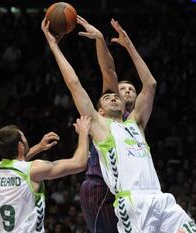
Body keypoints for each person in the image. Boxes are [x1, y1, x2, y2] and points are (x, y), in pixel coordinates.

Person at [42, 17, 196, 233]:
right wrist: (53, 46)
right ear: (100, 110)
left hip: (161, 199)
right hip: (131, 202)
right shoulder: (101, 125)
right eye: (108, 98)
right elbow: (74, 83)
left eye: (118, 95)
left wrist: (127, 45)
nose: (115, 97)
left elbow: (151, 84)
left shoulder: (135, 123)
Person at [0, 116, 90, 233]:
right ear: (20, 145)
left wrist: (39, 147)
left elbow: (19, 162)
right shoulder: (33, 169)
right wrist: (84, 132)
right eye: (24, 137)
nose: (26, 140)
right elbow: (79, 163)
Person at [76, 16, 119, 233]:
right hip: (100, 183)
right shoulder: (104, 115)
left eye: (131, 89)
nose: (126, 91)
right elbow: (109, 73)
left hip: (129, 188)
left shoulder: (136, 119)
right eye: (124, 88)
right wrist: (100, 40)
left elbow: (150, 84)